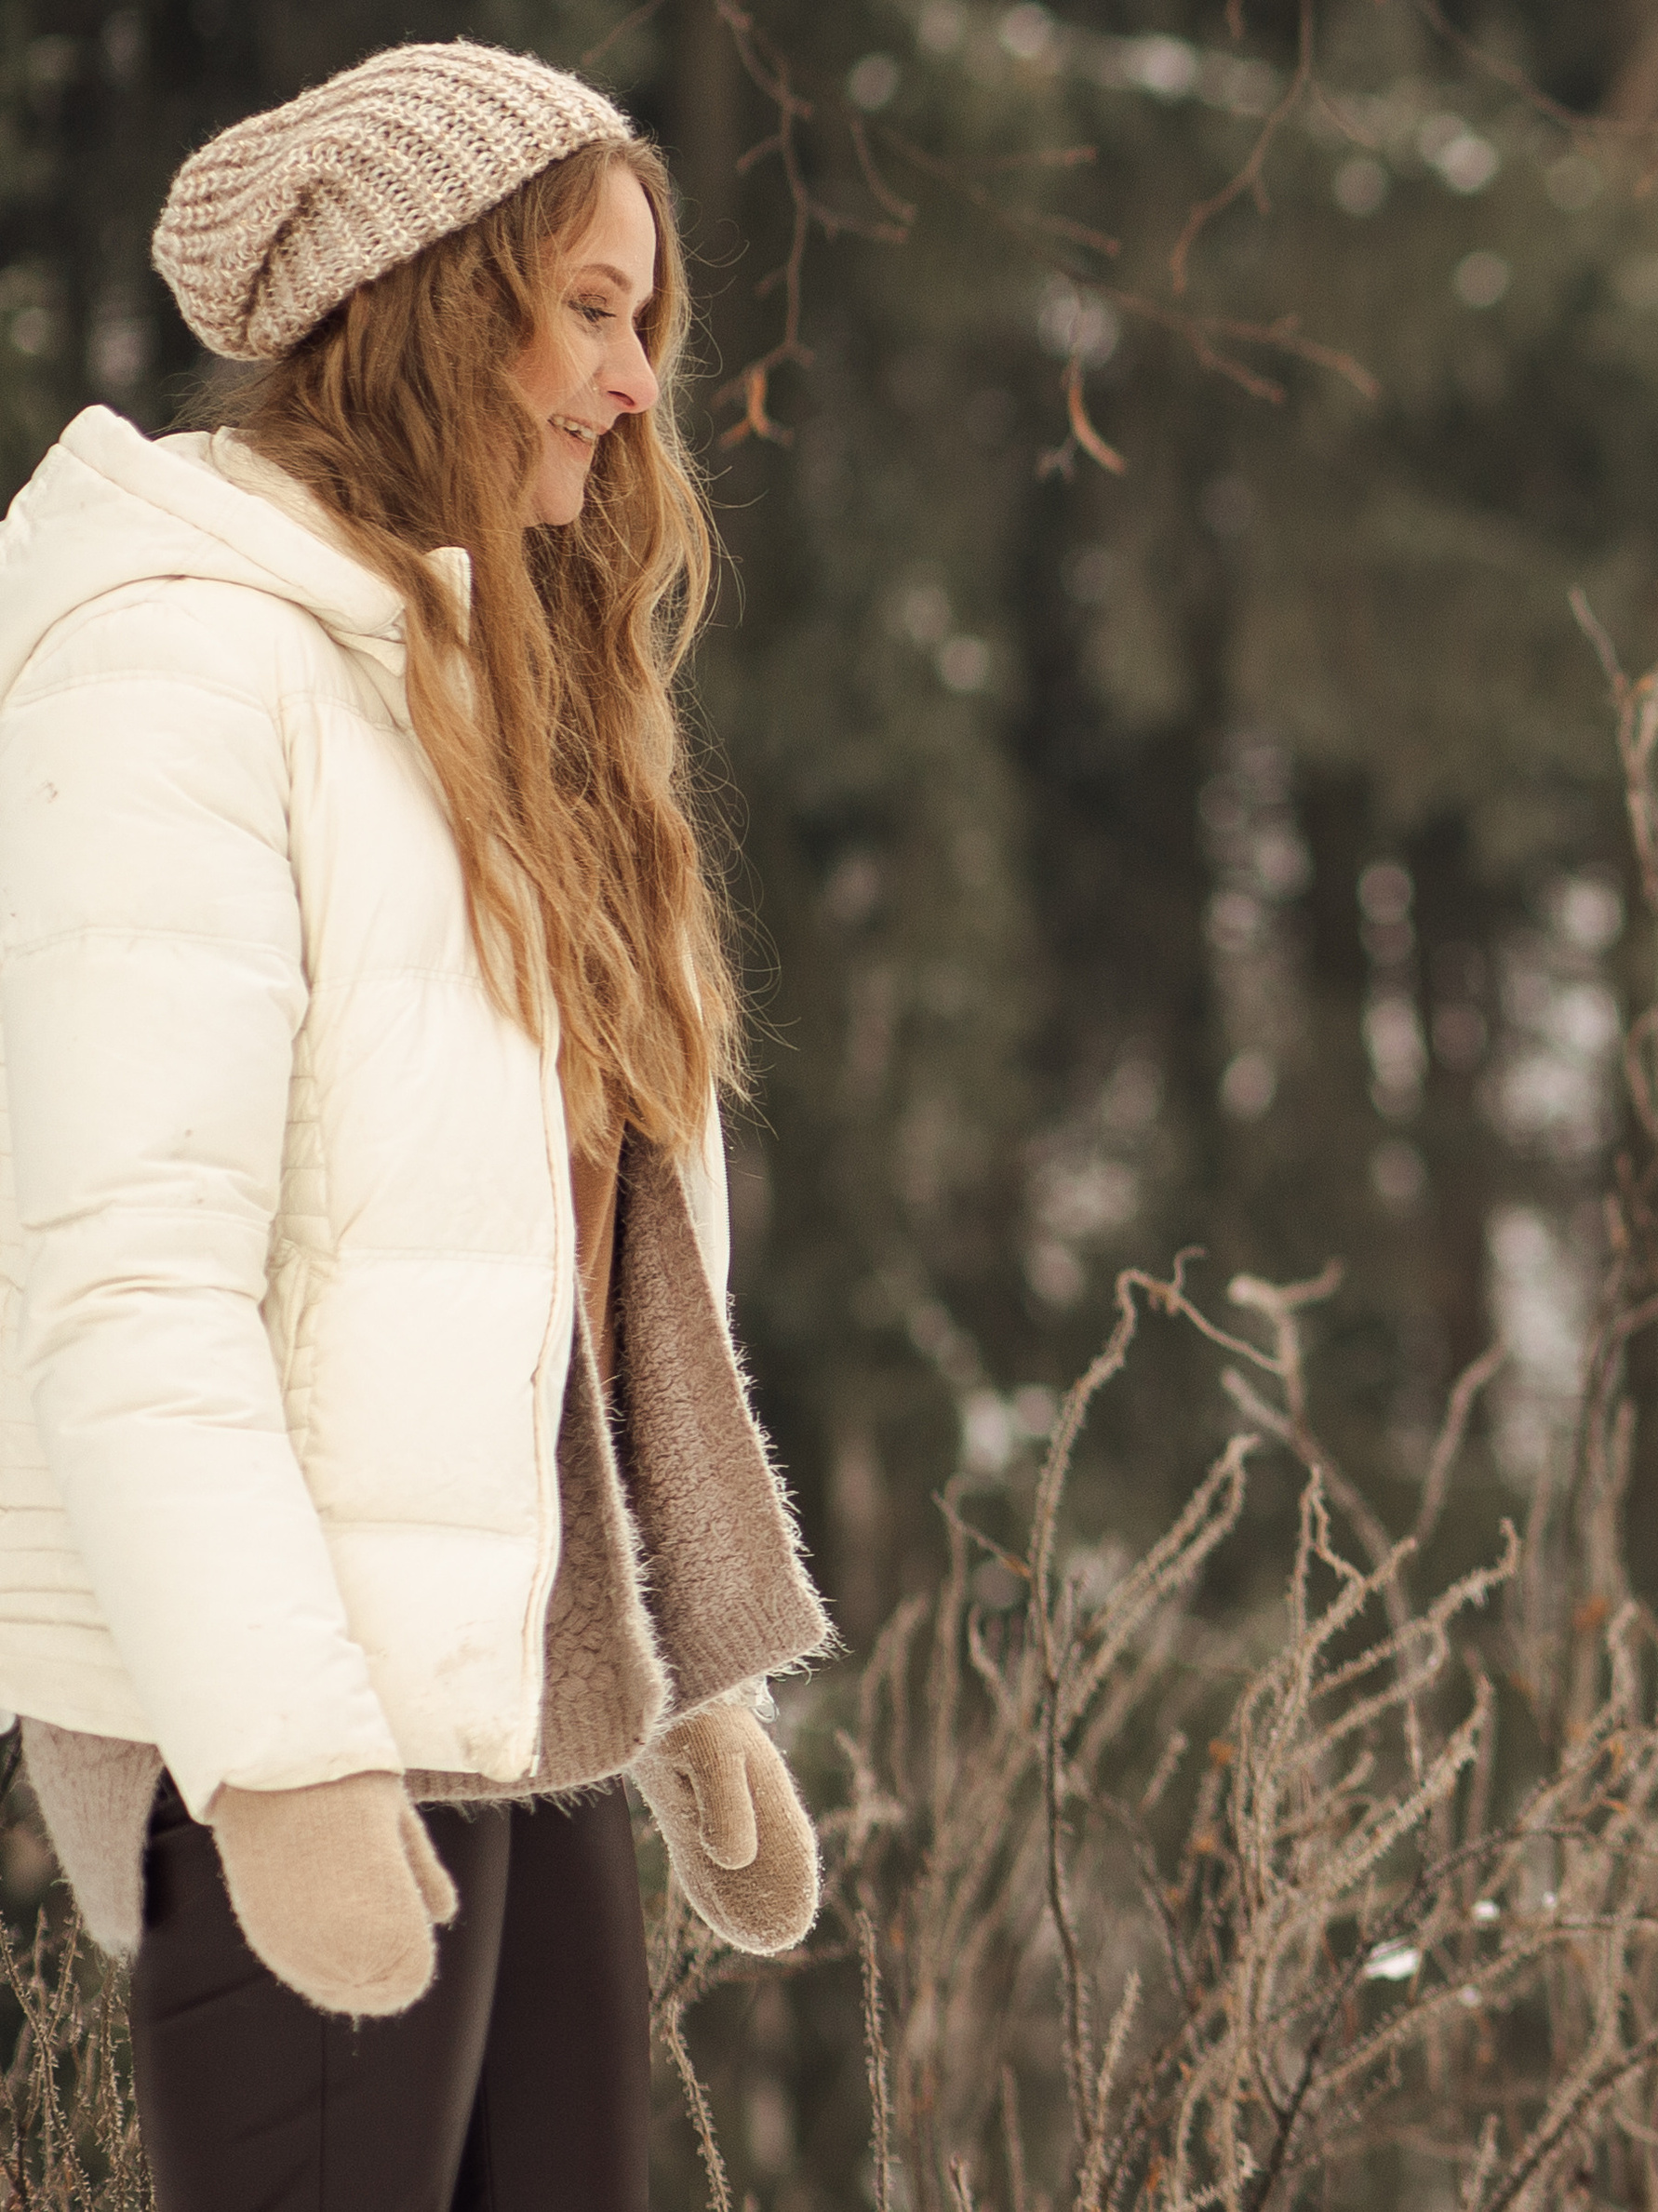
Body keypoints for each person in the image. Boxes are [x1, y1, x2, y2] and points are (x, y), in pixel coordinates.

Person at [0, 40, 832, 2212]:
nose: (632, 378)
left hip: (509, 1700)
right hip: (290, 1722)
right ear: (427, 299)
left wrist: (667, 1681)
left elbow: (533, 1277)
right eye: (583, 307)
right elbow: (126, 1281)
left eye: (642, 317)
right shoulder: (178, 667)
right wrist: (276, 1763)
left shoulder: (482, 693)